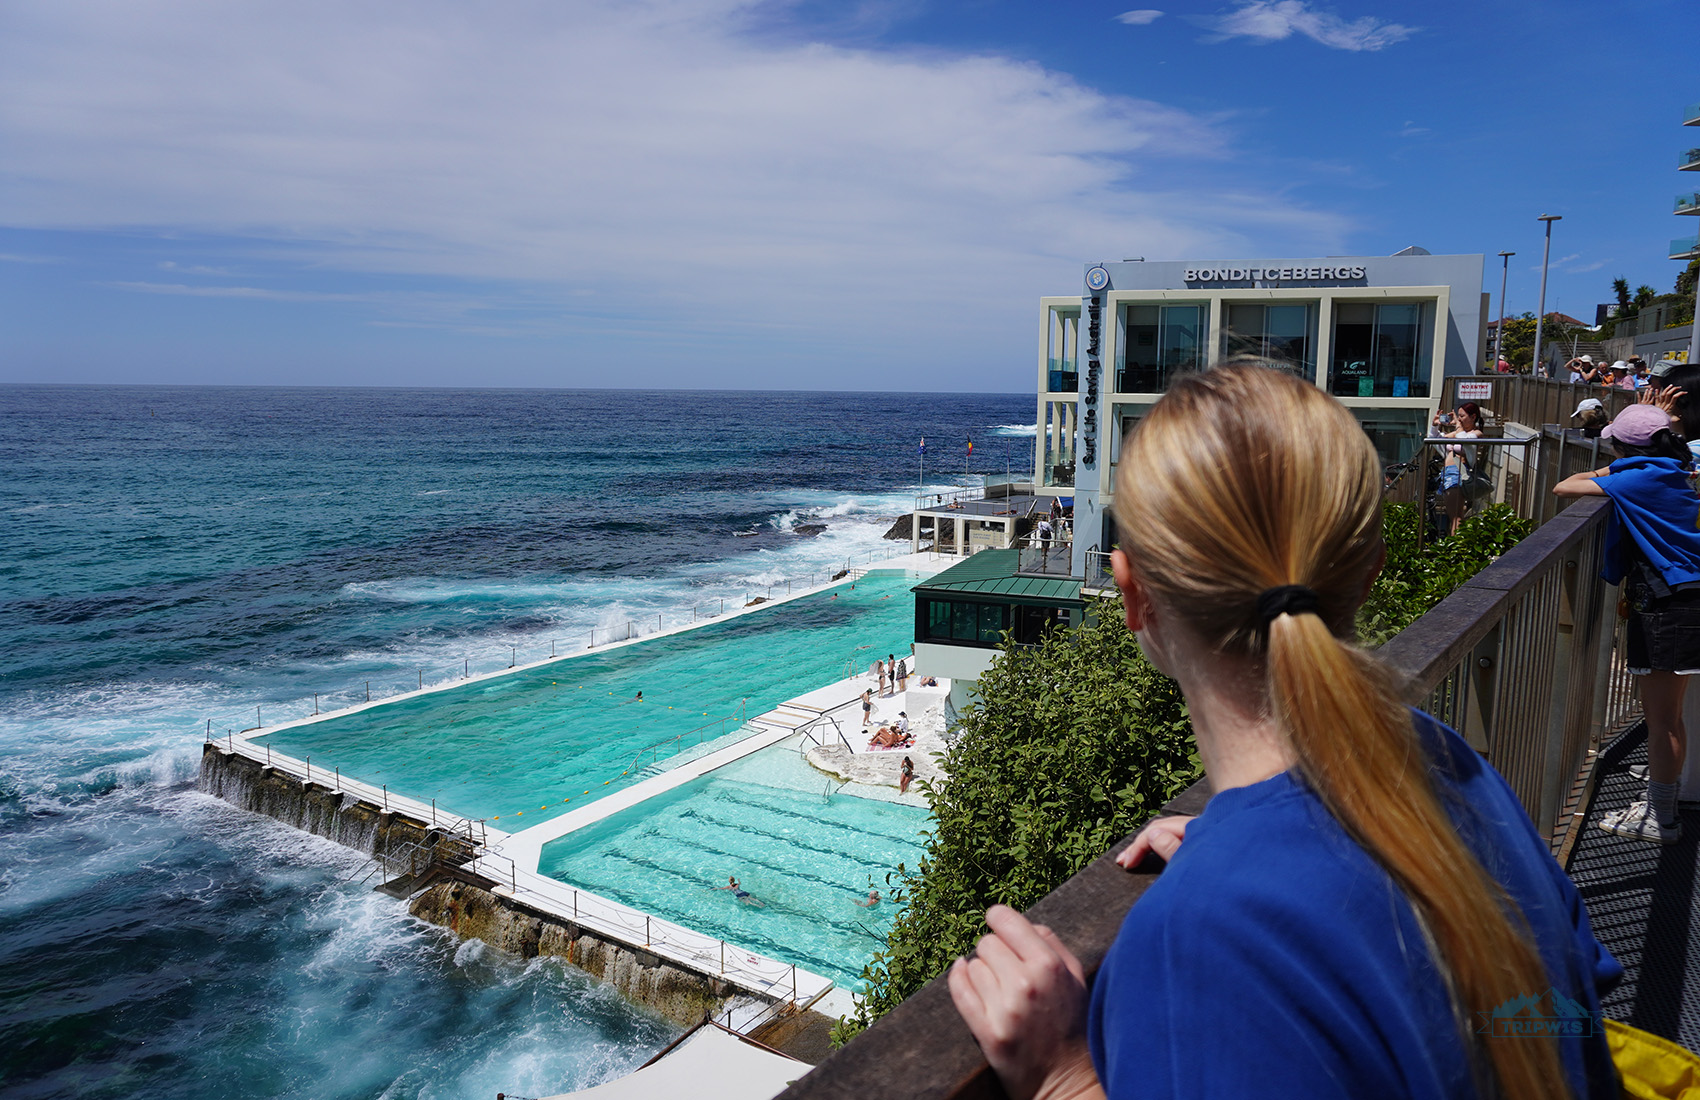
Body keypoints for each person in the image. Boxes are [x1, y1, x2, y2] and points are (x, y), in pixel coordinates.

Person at [947, 364, 1620, 1100]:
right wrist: (1249, 851)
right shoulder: (1444, 760)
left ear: (1132, 593)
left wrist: (1064, 1077)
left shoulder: (1198, 940)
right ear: (1369, 574)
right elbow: (1570, 994)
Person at [1555, 403, 1700, 844]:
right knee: (1670, 716)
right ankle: (1663, 804)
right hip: (1687, 595)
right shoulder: (1676, 468)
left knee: (1663, 719)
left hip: (1670, 603)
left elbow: (1565, 487)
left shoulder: (1637, 478)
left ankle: (1661, 817)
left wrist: (1612, 471)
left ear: (1622, 446)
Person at [1431, 400, 1482, 535]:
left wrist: (1458, 427)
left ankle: (1456, 548)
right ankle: (1457, 545)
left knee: (1456, 516)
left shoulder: (1476, 434)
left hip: (1457, 474)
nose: (1459, 419)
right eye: (1458, 416)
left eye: (1462, 416)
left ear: (1473, 417)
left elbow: (1465, 440)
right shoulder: (1459, 433)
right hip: (1448, 473)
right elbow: (1434, 440)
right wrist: (1434, 426)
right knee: (1453, 515)